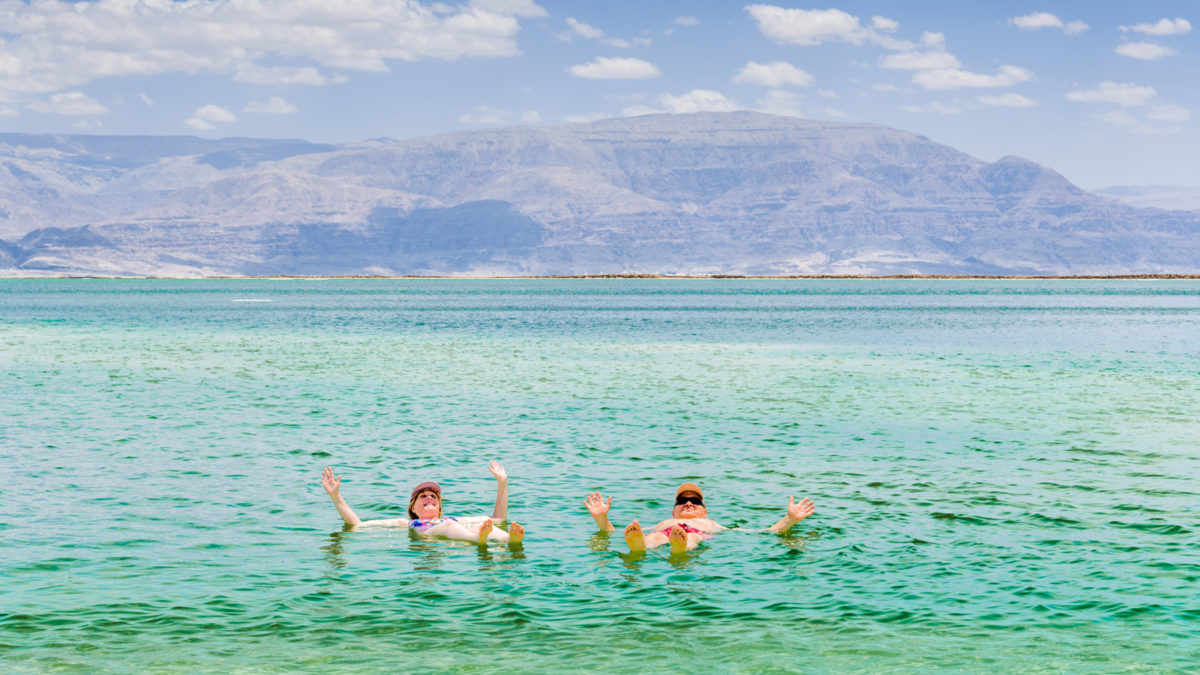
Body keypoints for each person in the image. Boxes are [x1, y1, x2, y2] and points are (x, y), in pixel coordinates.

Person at [321, 460, 524, 547]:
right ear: (414, 508)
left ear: (439, 507)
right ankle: (478, 540)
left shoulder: (449, 519)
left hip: (460, 539)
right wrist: (335, 496)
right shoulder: (406, 524)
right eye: (423, 496)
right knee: (453, 526)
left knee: (487, 526)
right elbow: (357, 525)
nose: (429, 498)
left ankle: (510, 541)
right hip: (435, 539)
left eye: (433, 497)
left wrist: (502, 482)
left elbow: (497, 519)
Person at [584, 482, 813, 555]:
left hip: (694, 534)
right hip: (665, 533)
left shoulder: (711, 524)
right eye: (682, 501)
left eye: (695, 501)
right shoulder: (664, 523)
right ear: (674, 511)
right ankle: (640, 546)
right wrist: (601, 519)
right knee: (651, 536)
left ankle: (679, 547)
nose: (689, 503)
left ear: (705, 510)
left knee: (692, 538)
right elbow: (611, 533)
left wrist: (789, 519)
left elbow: (764, 533)